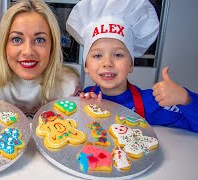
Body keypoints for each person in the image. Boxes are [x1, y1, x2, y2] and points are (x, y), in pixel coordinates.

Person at [66, 0, 198, 132]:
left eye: (118, 55)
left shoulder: (151, 102)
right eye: (97, 56)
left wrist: (186, 99)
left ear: (131, 64)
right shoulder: (88, 94)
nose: (107, 63)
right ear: (86, 65)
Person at [0, 0, 81, 118]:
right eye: (17, 39)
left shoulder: (69, 86)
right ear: (3, 45)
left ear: (53, 45)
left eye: (39, 40)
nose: (28, 52)